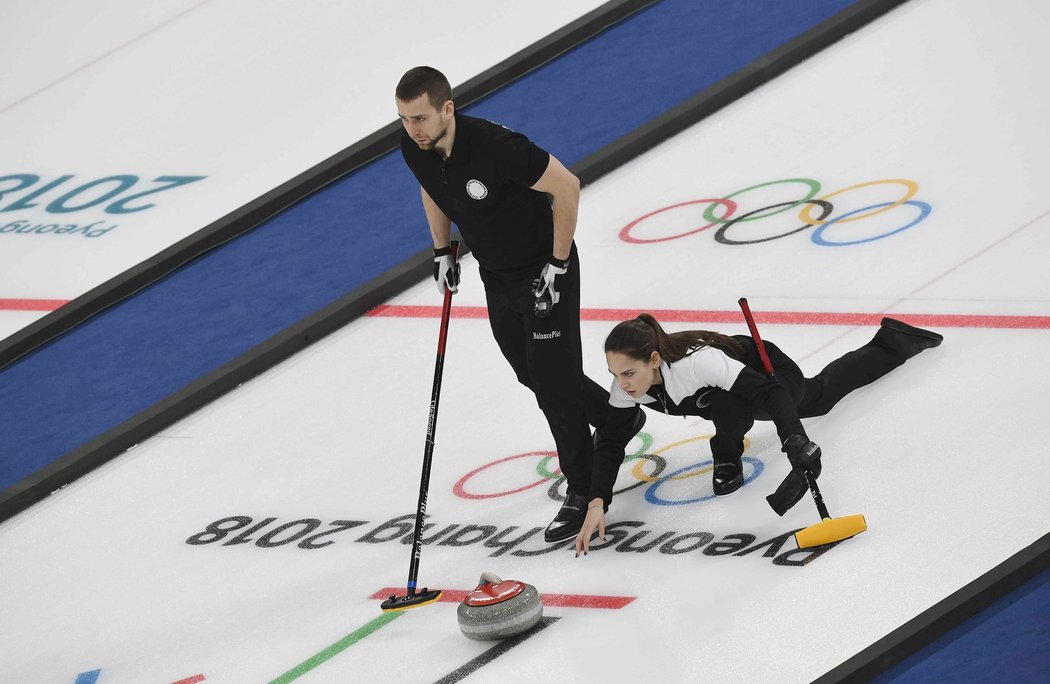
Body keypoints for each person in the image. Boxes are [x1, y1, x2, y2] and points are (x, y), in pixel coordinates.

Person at [395, 66, 644, 543]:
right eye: (405, 120)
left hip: (543, 270)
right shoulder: (416, 147)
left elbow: (566, 185)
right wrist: (441, 249)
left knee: (551, 378)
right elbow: (432, 188)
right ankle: (620, 417)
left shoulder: (497, 147)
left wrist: (558, 261)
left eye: (422, 118)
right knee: (530, 371)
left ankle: (583, 485)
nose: (414, 129)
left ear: (448, 108)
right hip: (497, 274)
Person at [575, 313, 943, 556]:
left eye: (627, 373)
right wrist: (597, 500)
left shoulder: (697, 364)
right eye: (614, 373)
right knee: (727, 404)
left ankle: (894, 345)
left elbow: (770, 394)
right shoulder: (626, 387)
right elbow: (609, 439)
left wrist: (794, 440)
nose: (621, 384)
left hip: (766, 374)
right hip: (718, 396)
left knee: (816, 399)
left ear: (654, 360)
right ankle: (892, 341)